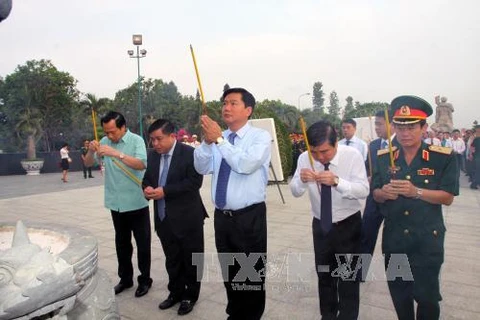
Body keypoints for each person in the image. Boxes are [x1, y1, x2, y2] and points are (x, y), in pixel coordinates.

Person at [373, 95, 458, 320]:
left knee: (427, 298)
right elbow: (375, 193)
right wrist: (383, 193)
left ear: (424, 127)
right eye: (400, 127)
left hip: (426, 241)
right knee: (400, 296)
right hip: (395, 240)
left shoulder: (442, 158)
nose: (405, 133)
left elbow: (448, 197)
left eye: (411, 127)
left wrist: (416, 192)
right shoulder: (384, 157)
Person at [194, 87, 271, 320]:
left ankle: (251, 315)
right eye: (225, 103)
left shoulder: (259, 137)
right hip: (222, 217)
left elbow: (246, 164)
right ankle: (235, 312)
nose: (226, 107)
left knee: (251, 274)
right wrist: (208, 143)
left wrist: (218, 139)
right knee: (229, 270)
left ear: (248, 110)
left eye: (233, 103)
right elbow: (201, 167)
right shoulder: (220, 139)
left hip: (249, 217)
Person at [289, 120, 369, 319]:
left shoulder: (352, 156)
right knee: (324, 276)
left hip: (348, 226)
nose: (319, 157)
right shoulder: (304, 158)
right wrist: (301, 179)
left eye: (324, 151)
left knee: (348, 278)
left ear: (335, 143)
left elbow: (363, 190)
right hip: (321, 227)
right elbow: (295, 191)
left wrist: (337, 182)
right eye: (314, 152)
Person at [142, 119, 208, 315]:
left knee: (192, 258)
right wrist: (146, 188)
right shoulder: (153, 156)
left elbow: (194, 182)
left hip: (188, 217)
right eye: (152, 140)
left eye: (159, 139)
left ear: (172, 136)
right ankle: (175, 293)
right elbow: (147, 178)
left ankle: (190, 295)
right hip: (163, 218)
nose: (155, 144)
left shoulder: (189, 154)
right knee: (172, 259)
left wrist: (165, 191)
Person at [84, 111, 152, 298]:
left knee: (143, 244)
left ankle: (145, 280)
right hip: (116, 204)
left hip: (136, 202)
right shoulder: (104, 142)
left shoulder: (136, 141)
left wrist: (116, 153)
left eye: (113, 131)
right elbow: (88, 163)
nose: (109, 136)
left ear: (123, 127)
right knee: (122, 244)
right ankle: (125, 279)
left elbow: (141, 164)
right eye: (106, 132)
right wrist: (91, 149)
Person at [361, 110, 398, 279]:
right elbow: (366, 168)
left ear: (392, 124)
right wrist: (366, 177)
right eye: (375, 124)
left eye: (379, 124)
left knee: (393, 240)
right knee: (366, 234)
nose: (376, 127)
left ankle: (396, 274)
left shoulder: (403, 144)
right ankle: (359, 272)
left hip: (395, 201)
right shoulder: (374, 145)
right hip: (374, 198)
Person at [470, 125, 480, 189]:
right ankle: (474, 184)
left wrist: (472, 154)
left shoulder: (476, 138)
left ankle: (474, 184)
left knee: (477, 171)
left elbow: (472, 147)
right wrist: (471, 154)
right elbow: (472, 147)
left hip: (477, 156)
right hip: (477, 157)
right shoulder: (476, 139)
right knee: (478, 171)